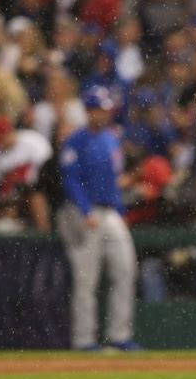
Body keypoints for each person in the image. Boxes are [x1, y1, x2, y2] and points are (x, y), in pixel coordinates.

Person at [57, 86, 139, 352]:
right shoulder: (75, 140)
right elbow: (69, 179)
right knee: (86, 279)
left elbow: (113, 181)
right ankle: (84, 340)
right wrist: (84, 210)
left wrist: (120, 211)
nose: (102, 114)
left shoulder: (111, 138)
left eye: (105, 109)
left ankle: (119, 336)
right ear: (88, 110)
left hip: (110, 211)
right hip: (83, 212)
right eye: (97, 109)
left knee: (126, 270)